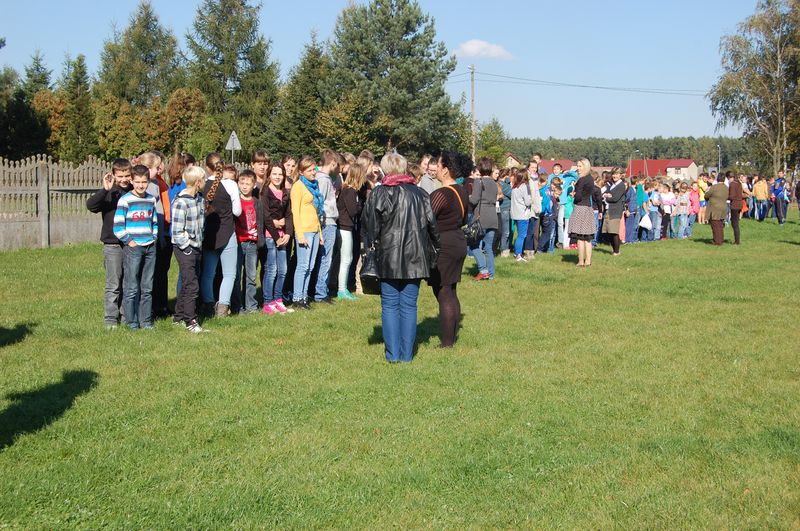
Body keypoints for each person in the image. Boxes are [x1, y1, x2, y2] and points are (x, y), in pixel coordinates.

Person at [361, 152, 440, 362]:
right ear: (403, 168)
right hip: (415, 257)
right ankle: (405, 356)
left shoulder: (378, 194)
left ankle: (393, 355)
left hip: (387, 256)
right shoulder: (420, 194)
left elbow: (369, 228)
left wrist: (370, 249)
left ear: (386, 170)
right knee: (408, 305)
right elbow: (433, 227)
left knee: (390, 305)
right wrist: (437, 250)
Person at [429, 151, 472, 348]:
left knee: (444, 292)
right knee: (451, 291)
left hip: (444, 245)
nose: (435, 168)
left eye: (438, 165)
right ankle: (451, 338)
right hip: (457, 241)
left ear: (445, 170)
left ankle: (447, 344)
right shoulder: (461, 190)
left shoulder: (441, 194)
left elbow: (426, 219)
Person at [86, 158, 132, 329]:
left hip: (131, 243)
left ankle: (126, 316)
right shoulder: (109, 192)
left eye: (127, 175)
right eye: (120, 176)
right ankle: (111, 319)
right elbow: (91, 206)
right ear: (113, 175)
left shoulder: (134, 191)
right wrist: (104, 190)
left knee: (129, 282)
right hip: (112, 244)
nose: (124, 179)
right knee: (113, 284)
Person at [113, 165, 158, 330]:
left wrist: (153, 237)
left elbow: (153, 221)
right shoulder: (125, 200)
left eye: (144, 182)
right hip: (133, 248)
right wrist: (129, 241)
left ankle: (146, 321)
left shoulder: (151, 199)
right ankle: (131, 322)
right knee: (132, 286)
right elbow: (118, 226)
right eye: (137, 182)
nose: (141, 185)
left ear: (148, 181)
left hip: (149, 247)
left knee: (147, 286)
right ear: (131, 181)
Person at [200, 153, 243, 318]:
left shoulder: (203, 184)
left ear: (206, 167)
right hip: (227, 233)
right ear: (223, 166)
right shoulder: (231, 185)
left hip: (208, 235)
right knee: (229, 274)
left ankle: (208, 305)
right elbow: (237, 211)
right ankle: (223, 309)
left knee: (208, 274)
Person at [170, 166, 206, 333]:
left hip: (197, 246)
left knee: (188, 282)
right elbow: (177, 231)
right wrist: (187, 248)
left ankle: (178, 316)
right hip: (185, 248)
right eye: (204, 180)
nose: (205, 182)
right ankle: (190, 320)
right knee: (192, 285)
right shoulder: (180, 202)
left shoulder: (199, 199)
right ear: (198, 182)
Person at [139, 151, 172, 318]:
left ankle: (157, 307)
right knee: (152, 275)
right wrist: (160, 237)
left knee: (157, 274)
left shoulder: (156, 184)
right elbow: (157, 214)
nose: (159, 169)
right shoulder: (151, 186)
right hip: (152, 236)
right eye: (155, 167)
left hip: (158, 234)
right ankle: (153, 308)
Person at [291, 156, 324, 310]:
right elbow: (295, 212)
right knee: (303, 265)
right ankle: (297, 298)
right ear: (302, 172)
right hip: (304, 231)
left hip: (315, 230)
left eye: (314, 169)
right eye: (310, 170)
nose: (313, 172)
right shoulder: (298, 186)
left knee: (310, 266)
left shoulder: (314, 186)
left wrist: (320, 233)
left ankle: (304, 297)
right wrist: (300, 234)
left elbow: (316, 212)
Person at [233, 170, 265, 314]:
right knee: (236, 276)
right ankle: (237, 306)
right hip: (238, 243)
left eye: (248, 183)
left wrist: (260, 241)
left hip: (252, 244)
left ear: (254, 185)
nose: (245, 186)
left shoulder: (257, 203)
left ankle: (251, 306)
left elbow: (260, 223)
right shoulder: (235, 202)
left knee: (251, 276)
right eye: (242, 183)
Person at [314, 149, 343, 305]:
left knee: (324, 258)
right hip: (327, 221)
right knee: (326, 258)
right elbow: (321, 203)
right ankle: (320, 292)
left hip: (328, 221)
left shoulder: (323, 178)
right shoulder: (324, 180)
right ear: (332, 162)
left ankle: (320, 290)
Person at [336, 161, 366, 300]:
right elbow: (353, 211)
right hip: (344, 227)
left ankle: (343, 288)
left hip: (346, 227)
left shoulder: (350, 190)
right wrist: (361, 205)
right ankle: (342, 289)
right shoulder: (349, 191)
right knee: (346, 259)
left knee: (346, 259)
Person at [469, 157, 500, 280]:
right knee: (489, 248)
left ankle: (483, 269)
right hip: (493, 216)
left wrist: (468, 197)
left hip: (481, 217)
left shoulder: (478, 181)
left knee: (473, 245)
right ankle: (491, 275)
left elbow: (474, 200)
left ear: (480, 168)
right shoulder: (494, 182)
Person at [569, 158, 597, 267]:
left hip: (580, 208)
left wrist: (574, 194)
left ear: (585, 167)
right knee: (587, 238)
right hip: (588, 208)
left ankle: (581, 261)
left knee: (580, 238)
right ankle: (588, 261)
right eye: (577, 166)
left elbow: (579, 196)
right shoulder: (590, 179)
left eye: (580, 166)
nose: (578, 168)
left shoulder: (581, 180)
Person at [601, 167, 625, 256]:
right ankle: (614, 249)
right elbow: (604, 194)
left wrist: (607, 197)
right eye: (614, 174)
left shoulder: (621, 185)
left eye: (617, 174)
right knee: (608, 231)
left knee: (613, 231)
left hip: (615, 211)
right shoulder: (611, 184)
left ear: (620, 175)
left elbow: (615, 198)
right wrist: (607, 196)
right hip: (608, 210)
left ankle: (617, 251)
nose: (615, 176)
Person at [510, 169, 532, 262]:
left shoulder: (515, 186)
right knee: (522, 235)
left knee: (519, 234)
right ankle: (518, 254)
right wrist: (532, 199)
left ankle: (518, 252)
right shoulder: (525, 186)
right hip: (523, 214)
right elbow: (527, 202)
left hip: (515, 214)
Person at [705, 174, 728, 245]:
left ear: (717, 179)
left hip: (714, 208)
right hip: (723, 208)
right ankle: (720, 239)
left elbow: (707, 195)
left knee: (715, 225)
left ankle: (717, 241)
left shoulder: (714, 187)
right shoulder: (726, 187)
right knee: (720, 225)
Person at [727, 171, 743, 244]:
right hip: (739, 204)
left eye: (728, 178)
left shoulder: (732, 184)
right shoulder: (738, 183)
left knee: (734, 223)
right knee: (736, 223)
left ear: (729, 177)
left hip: (735, 205)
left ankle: (737, 241)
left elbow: (732, 196)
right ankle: (737, 240)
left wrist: (726, 197)